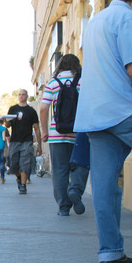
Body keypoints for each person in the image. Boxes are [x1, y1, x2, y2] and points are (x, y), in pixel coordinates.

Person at [74, 0, 132, 263]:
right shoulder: (128, 17)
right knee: (105, 186)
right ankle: (110, 252)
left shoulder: (96, 21)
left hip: (96, 114)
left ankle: (110, 253)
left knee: (104, 187)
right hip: (127, 111)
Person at [39, 54, 90, 216]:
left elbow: (43, 108)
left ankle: (63, 207)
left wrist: (45, 131)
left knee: (60, 170)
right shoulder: (83, 82)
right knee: (80, 165)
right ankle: (75, 190)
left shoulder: (52, 83)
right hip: (79, 133)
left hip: (56, 134)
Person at [5, 89, 41, 194]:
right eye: (19, 94)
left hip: (27, 141)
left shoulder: (31, 111)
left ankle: (23, 185)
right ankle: (19, 178)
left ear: (27, 96)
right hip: (15, 140)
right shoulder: (13, 109)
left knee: (25, 163)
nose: (21, 96)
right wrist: (5, 121)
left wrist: (39, 145)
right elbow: (8, 125)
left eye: (23, 94)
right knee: (13, 164)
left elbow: (37, 128)